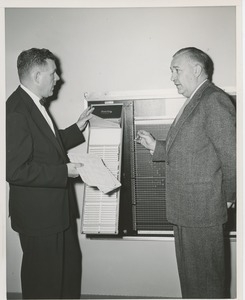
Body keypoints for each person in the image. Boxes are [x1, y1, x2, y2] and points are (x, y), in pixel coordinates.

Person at [137, 47, 236, 299]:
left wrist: (228, 197)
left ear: (196, 69)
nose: (172, 77)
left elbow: (234, 155)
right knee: (193, 281)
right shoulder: (195, 100)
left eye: (176, 69)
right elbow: (191, 151)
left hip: (204, 211)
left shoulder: (214, 100)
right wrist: (156, 146)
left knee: (206, 283)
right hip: (187, 210)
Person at [6, 48, 94, 299]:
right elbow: (14, 170)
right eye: (53, 73)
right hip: (39, 219)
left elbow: (47, 146)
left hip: (55, 212)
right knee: (44, 283)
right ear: (36, 76)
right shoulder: (16, 111)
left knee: (65, 273)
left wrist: (77, 128)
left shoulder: (33, 104)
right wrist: (63, 172)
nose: (58, 79)